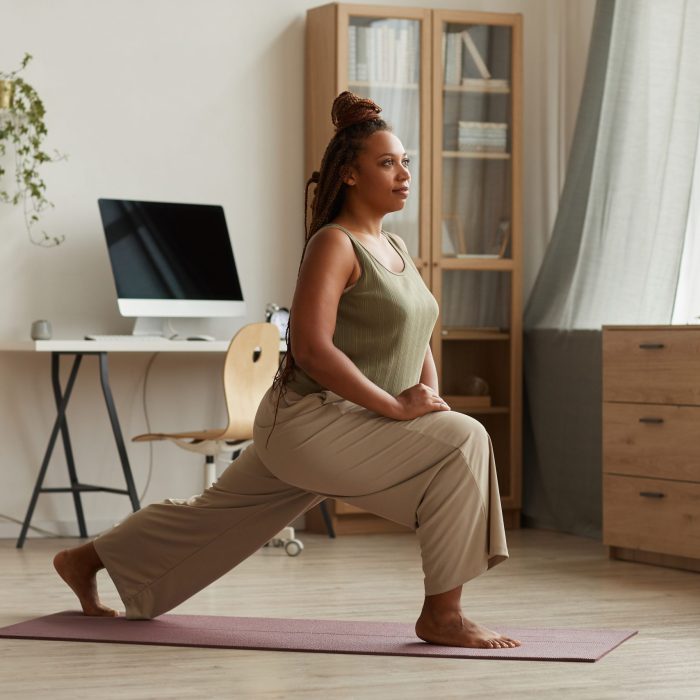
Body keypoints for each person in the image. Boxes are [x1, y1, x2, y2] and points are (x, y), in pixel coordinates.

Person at [53, 91, 520, 649]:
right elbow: (311, 347)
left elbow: (418, 332)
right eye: (387, 163)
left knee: (213, 517)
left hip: (348, 423)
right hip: (308, 421)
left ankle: (84, 560)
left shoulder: (394, 245)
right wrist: (398, 407)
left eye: (405, 162)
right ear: (348, 174)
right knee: (465, 440)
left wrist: (428, 396)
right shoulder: (334, 243)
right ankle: (442, 615)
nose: (403, 174)